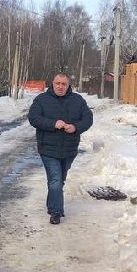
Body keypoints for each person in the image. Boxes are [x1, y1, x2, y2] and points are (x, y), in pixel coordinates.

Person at [28, 72, 93, 225]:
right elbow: (33, 118)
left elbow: (88, 119)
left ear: (68, 85)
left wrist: (76, 127)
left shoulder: (78, 100)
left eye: (64, 84)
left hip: (69, 149)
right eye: (58, 83)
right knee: (56, 180)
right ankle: (56, 212)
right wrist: (53, 124)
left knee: (59, 180)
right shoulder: (41, 100)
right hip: (48, 148)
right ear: (53, 83)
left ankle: (53, 205)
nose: (60, 86)